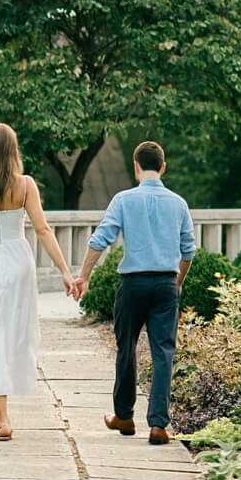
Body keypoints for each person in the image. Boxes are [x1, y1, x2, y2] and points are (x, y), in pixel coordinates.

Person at [0, 123, 80, 441]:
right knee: (13, 333)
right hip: (17, 262)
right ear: (13, 151)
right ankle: (0, 412)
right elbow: (42, 230)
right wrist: (66, 272)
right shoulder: (25, 186)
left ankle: (2, 413)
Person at [73, 141, 196, 445]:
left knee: (126, 347)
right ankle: (158, 425)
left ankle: (124, 416)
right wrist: (176, 282)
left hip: (133, 284)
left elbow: (101, 239)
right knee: (163, 353)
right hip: (166, 283)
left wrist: (83, 276)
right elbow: (188, 250)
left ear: (136, 166)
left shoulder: (123, 200)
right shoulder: (178, 203)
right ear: (163, 167)